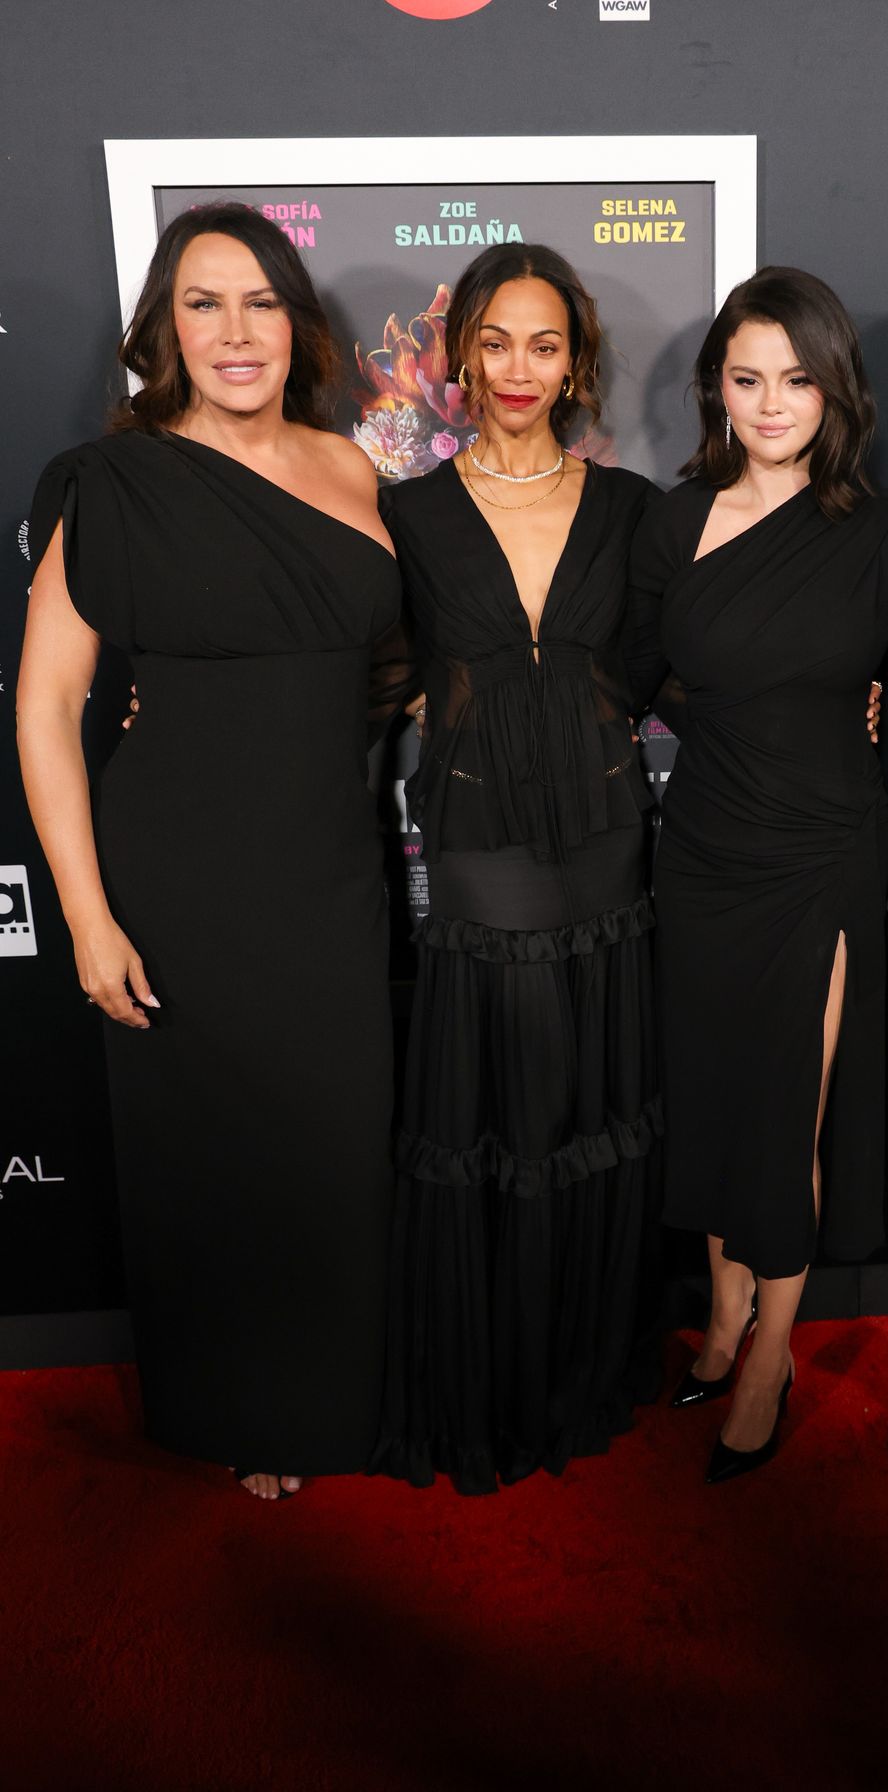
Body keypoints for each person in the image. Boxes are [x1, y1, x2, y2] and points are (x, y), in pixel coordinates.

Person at [17, 204, 400, 1502]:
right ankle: (249, 1411)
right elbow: (45, 702)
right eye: (203, 303)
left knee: (333, 1144)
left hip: (330, 869)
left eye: (259, 301)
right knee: (217, 1157)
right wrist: (83, 915)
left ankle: (344, 1391)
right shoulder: (110, 483)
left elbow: (399, 668)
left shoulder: (358, 472)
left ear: (297, 320)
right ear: (165, 331)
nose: (235, 332)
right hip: (177, 873)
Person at [370, 244, 663, 1496]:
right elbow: (362, 675)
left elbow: (685, 663)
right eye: (494, 341)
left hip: (608, 859)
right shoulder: (406, 513)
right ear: (459, 354)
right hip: (479, 862)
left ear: (576, 359)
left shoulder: (635, 510)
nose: (518, 370)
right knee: (494, 1118)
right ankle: (483, 1388)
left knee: (587, 1119)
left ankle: (578, 1374)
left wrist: (846, 699)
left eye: (543, 344)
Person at [626, 267, 888, 1484]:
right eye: (746, 379)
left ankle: (768, 1354)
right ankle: (724, 1306)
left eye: (795, 379)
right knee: (708, 1090)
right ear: (716, 389)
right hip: (700, 846)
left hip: (820, 855)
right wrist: (740, 723)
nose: (769, 402)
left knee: (786, 1107)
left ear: (831, 386)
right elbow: (642, 671)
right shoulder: (671, 517)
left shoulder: (881, 530)